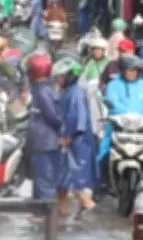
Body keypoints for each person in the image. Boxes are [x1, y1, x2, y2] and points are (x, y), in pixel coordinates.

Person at [98, 55, 143, 212]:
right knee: (104, 158)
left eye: (135, 70)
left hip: (140, 130)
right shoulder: (113, 85)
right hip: (119, 129)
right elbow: (112, 103)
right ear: (122, 70)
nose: (133, 73)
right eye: (130, 70)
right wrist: (126, 116)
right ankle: (98, 191)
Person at [53, 57, 99, 216]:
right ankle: (62, 209)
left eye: (61, 76)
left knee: (70, 176)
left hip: (76, 142)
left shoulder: (75, 93)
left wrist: (68, 137)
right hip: (73, 139)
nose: (58, 79)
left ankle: (87, 203)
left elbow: (77, 119)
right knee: (63, 180)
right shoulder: (70, 92)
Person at [26, 53, 62, 221]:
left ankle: (46, 214)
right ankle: (39, 211)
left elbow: (53, 117)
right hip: (42, 140)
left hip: (45, 141)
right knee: (40, 178)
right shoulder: (42, 89)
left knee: (44, 179)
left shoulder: (42, 92)